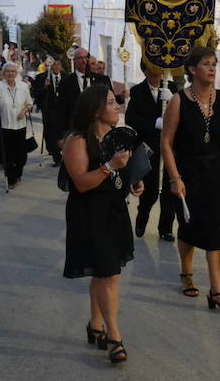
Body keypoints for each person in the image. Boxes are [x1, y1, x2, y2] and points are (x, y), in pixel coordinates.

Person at [62, 85, 142, 365]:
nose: (117, 105)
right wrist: (110, 166)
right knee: (108, 274)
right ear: (96, 110)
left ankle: (95, 324)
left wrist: (134, 182)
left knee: (106, 271)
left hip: (114, 211)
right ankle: (114, 336)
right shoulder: (77, 141)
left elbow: (122, 174)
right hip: (89, 213)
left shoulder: (115, 135)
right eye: (111, 102)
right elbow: (82, 184)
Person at [161, 46, 220, 315]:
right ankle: (186, 272)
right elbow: (166, 143)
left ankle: (217, 291)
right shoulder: (178, 101)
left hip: (216, 174)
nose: (212, 68)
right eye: (206, 64)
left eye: (214, 63)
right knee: (188, 228)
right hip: (188, 174)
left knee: (216, 231)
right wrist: (174, 178)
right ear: (192, 69)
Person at [126, 60, 177, 241]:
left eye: (159, 69)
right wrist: (154, 123)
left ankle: (166, 228)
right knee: (151, 190)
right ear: (145, 71)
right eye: (153, 69)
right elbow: (130, 118)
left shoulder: (173, 88)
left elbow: (185, 115)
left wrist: (173, 100)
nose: (157, 73)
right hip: (149, 148)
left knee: (170, 191)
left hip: (170, 148)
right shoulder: (138, 91)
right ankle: (142, 214)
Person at [0, 62, 33, 188]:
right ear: (4, 73)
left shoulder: (23, 86)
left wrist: (24, 111)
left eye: (13, 71)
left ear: (16, 73)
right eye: (8, 71)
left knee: (21, 155)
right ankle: (11, 179)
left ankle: (18, 173)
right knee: (8, 155)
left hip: (20, 126)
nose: (10, 73)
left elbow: (29, 103)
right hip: (5, 126)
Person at [35, 58, 65, 166]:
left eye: (58, 65)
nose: (56, 67)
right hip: (49, 110)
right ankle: (56, 157)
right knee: (51, 133)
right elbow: (37, 94)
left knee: (63, 133)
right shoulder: (42, 77)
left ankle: (64, 153)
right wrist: (44, 87)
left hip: (63, 110)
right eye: (54, 65)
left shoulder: (67, 77)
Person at [58, 47, 92, 129]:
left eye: (86, 57)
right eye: (80, 58)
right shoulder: (66, 81)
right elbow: (62, 110)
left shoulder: (99, 79)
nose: (84, 61)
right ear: (74, 60)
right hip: (75, 128)